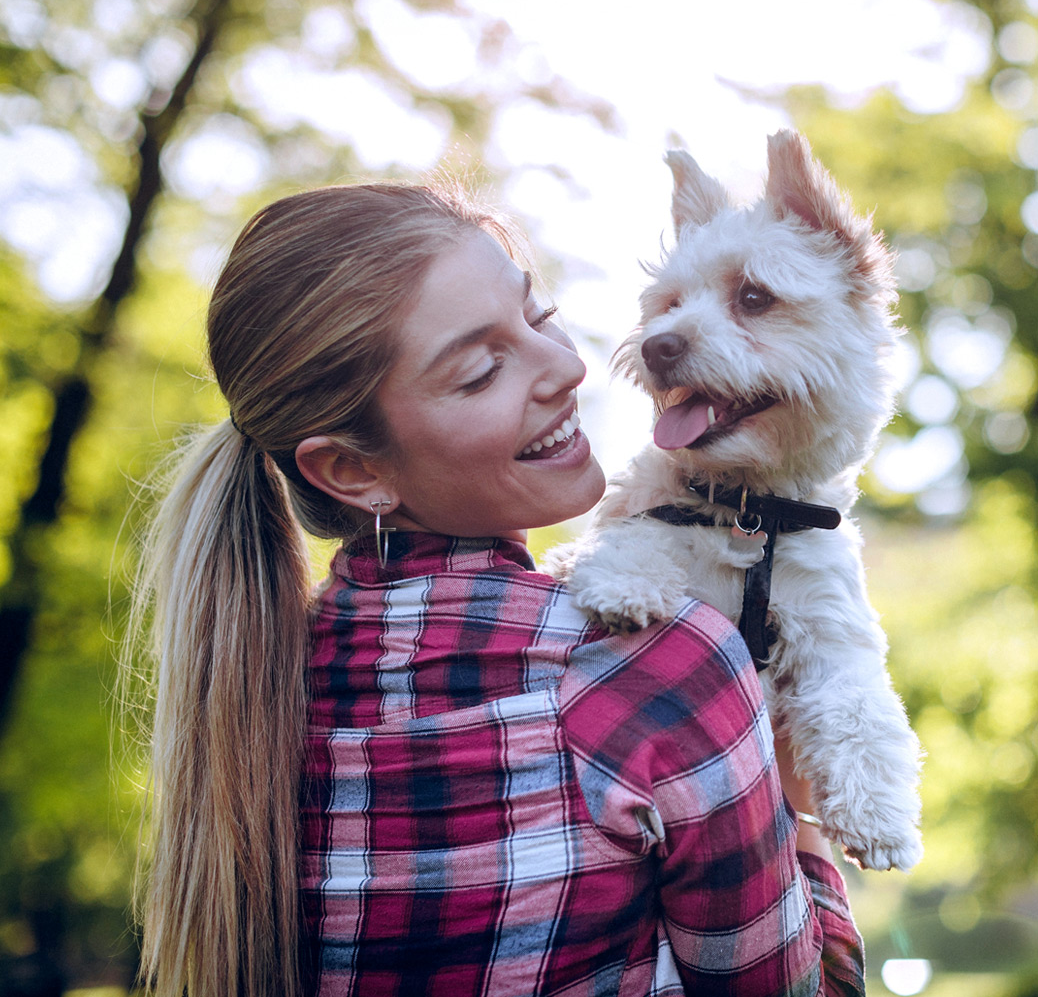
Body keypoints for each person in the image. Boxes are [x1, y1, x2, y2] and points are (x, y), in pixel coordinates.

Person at [128, 181, 865, 997]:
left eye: (539, 316)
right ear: (351, 469)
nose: (569, 366)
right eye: (482, 372)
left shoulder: (248, 681)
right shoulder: (651, 669)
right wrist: (796, 811)